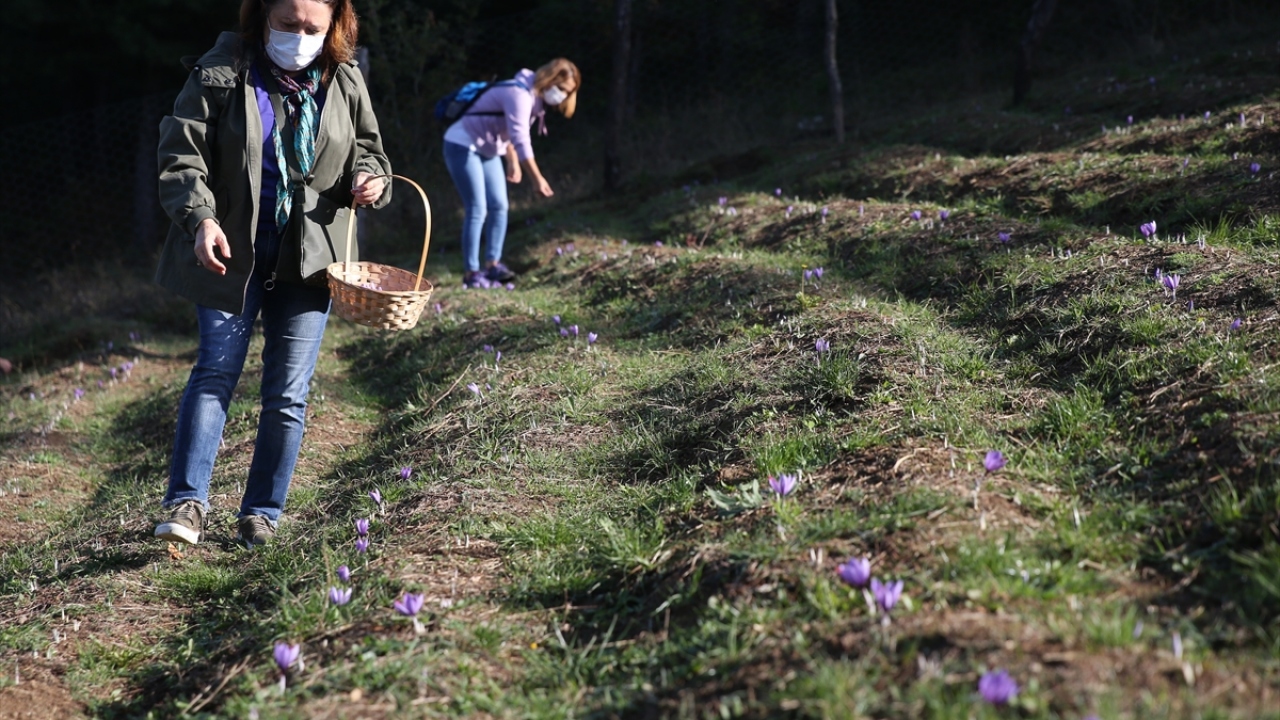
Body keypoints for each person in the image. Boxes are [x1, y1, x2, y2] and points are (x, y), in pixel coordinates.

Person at [152, 0, 391, 547]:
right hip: (229, 254)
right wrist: (201, 219)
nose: (300, 36)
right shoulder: (221, 71)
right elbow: (180, 155)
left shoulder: (345, 80)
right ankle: (186, 503)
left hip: (308, 263)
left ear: (336, 26)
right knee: (215, 371)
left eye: (313, 27)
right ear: (262, 17)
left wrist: (372, 180)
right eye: (288, 25)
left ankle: (262, 513)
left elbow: (372, 153)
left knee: (288, 393)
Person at [442, 59, 580, 288]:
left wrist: (513, 162)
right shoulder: (519, 94)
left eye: (567, 93)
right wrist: (537, 178)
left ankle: (493, 265)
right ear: (550, 80)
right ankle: (471, 273)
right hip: (462, 143)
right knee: (477, 208)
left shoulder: (533, 100)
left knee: (500, 206)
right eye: (562, 90)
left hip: (488, 148)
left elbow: (506, 132)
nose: (562, 97)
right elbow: (520, 138)